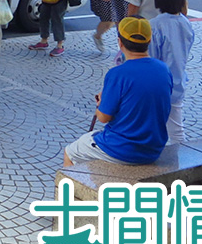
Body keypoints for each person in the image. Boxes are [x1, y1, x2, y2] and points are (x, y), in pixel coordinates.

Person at [63, 17, 173, 166]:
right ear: (149, 41)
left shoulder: (118, 74)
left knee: (70, 152)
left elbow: (103, 117)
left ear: (120, 42)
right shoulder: (164, 69)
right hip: (154, 148)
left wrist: (100, 103)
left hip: (121, 149)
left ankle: (66, 189)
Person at [149, 0, 195, 145]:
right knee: (176, 129)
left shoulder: (154, 25)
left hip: (157, 86)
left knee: (154, 127)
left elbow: (151, 58)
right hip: (178, 81)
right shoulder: (185, 23)